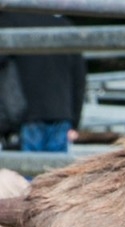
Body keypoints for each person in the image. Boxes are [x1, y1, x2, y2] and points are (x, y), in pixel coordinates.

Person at [0, 12, 86, 153]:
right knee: (56, 171)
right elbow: (79, 79)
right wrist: (75, 121)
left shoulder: (11, 21)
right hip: (61, 114)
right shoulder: (65, 26)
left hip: (25, 114)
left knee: (27, 169)